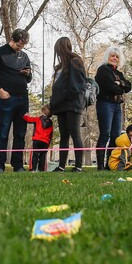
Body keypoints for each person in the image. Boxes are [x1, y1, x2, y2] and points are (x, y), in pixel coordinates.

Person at [0, 28, 32, 173]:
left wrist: (28, 74)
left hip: (22, 98)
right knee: (3, 132)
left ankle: (17, 165)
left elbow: (29, 79)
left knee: (20, 133)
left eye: (23, 46)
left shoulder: (24, 56)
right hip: (7, 98)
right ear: (12, 40)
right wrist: (0, 90)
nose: (20, 48)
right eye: (19, 45)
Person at [49, 37, 88, 173]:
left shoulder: (75, 61)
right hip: (61, 105)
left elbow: (77, 84)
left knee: (75, 133)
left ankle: (78, 166)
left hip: (73, 104)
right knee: (64, 135)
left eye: (59, 49)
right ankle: (61, 166)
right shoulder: (60, 66)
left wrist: (66, 96)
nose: (58, 53)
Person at [94, 47, 132, 170]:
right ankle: (100, 165)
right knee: (105, 133)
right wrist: (121, 85)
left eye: (117, 56)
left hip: (117, 106)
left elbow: (129, 86)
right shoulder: (102, 70)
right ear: (107, 57)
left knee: (116, 135)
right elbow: (111, 87)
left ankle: (109, 164)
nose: (115, 58)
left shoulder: (118, 73)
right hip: (105, 103)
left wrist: (119, 83)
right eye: (112, 56)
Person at [24, 105, 53, 172]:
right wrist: (48, 143)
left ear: (42, 111)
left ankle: (33, 169)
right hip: (45, 141)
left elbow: (28, 119)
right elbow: (51, 134)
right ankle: (41, 170)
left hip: (37, 139)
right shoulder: (51, 123)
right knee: (43, 156)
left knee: (35, 155)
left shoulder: (37, 119)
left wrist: (25, 115)